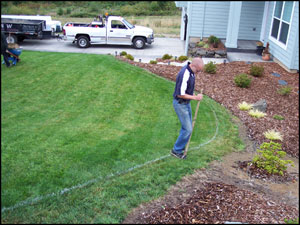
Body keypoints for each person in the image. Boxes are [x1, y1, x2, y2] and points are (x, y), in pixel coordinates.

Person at [171, 57, 204, 159]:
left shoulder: (191, 72)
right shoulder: (184, 74)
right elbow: (180, 94)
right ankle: (176, 150)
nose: (198, 72)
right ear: (193, 66)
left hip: (186, 103)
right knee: (188, 129)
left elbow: (186, 89)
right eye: (198, 70)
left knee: (187, 127)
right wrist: (195, 97)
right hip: (180, 103)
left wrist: (192, 94)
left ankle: (179, 147)